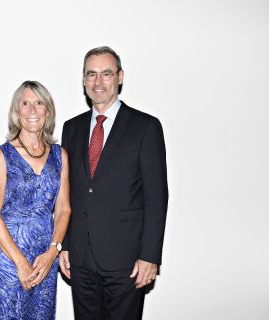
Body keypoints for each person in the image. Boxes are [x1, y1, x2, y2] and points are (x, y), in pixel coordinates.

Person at [59, 46, 169, 320]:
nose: (98, 82)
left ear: (120, 77)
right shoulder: (71, 128)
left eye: (106, 74)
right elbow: (69, 194)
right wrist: (67, 245)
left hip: (127, 260)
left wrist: (150, 256)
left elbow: (156, 197)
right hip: (81, 259)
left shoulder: (146, 126)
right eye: (91, 74)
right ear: (83, 80)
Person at [0, 81, 71, 320]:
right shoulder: (1, 155)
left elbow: (63, 209)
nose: (32, 111)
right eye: (25, 104)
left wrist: (53, 251)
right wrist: (20, 262)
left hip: (45, 258)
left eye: (39, 103)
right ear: (17, 111)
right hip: (8, 259)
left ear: (48, 111)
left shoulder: (60, 155)